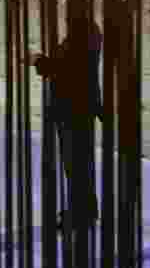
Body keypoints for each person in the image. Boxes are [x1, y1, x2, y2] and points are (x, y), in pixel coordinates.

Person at [30, 19, 103, 231]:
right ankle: (87, 209)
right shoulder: (88, 31)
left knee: (75, 165)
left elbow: (66, 70)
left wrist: (39, 61)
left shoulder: (82, 34)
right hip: (80, 109)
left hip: (73, 110)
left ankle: (79, 214)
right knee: (82, 163)